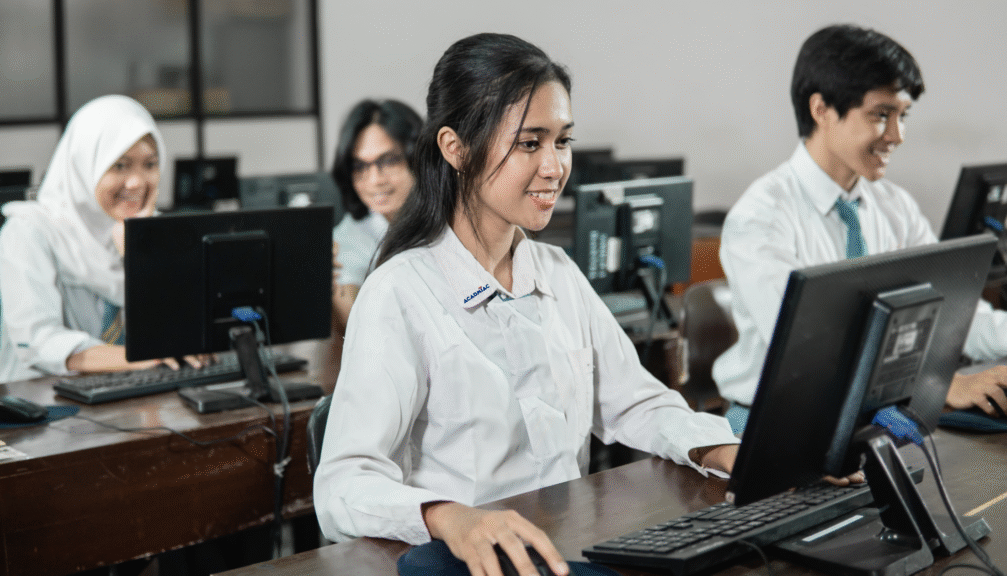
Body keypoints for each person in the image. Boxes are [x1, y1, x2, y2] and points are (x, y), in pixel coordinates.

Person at [314, 33, 740, 576]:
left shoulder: (556, 272)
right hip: (471, 563)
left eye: (562, 141)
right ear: (455, 148)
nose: (554, 167)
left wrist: (717, 449)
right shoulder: (399, 292)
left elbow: (633, 403)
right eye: (529, 143)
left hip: (565, 547)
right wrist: (450, 518)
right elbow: (341, 484)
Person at [714, 24, 1007, 434]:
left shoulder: (894, 206)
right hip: (776, 427)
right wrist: (937, 385)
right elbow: (811, 354)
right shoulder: (760, 218)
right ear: (821, 110)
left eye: (902, 116)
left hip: (870, 415)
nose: (897, 135)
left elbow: (951, 313)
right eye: (880, 116)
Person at [0, 94, 203, 383]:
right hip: (39, 404)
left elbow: (177, 330)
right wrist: (138, 357)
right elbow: (39, 343)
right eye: (120, 165)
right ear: (83, 164)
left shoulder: (153, 229)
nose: (137, 182)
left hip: (130, 396)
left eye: (150, 164)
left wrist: (139, 255)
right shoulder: (29, 232)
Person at [330, 99, 422, 332]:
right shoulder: (352, 233)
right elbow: (353, 319)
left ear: (418, 158)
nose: (375, 180)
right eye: (360, 166)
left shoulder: (454, 219)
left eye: (389, 161)